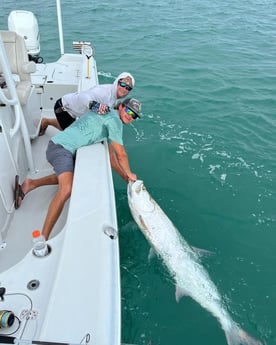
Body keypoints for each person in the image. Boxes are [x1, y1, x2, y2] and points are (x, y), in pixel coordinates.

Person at [15, 98, 141, 240]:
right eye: (129, 111)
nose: (130, 116)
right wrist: (129, 173)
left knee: (72, 178)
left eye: (134, 116)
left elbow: (111, 158)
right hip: (61, 147)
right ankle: (43, 239)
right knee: (66, 189)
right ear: (121, 107)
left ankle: (31, 183)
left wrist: (125, 177)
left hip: (63, 147)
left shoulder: (109, 115)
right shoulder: (114, 121)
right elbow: (121, 154)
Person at [39, 72, 135, 134]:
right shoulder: (103, 92)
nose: (124, 89)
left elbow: (110, 104)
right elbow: (83, 96)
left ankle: (48, 121)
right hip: (64, 108)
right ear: (117, 82)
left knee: (67, 126)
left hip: (74, 111)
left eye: (128, 88)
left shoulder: (114, 95)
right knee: (69, 132)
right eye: (122, 84)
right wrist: (92, 104)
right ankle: (46, 121)